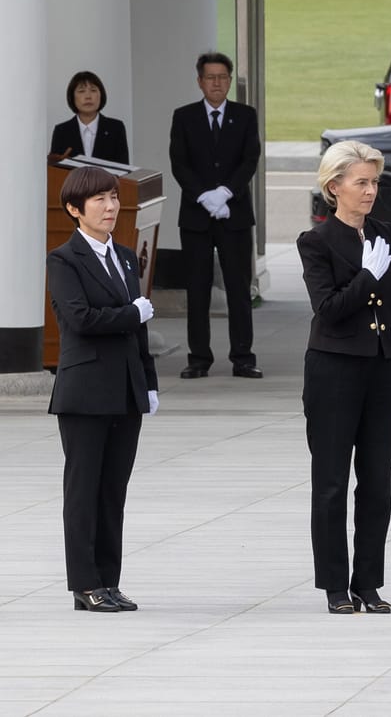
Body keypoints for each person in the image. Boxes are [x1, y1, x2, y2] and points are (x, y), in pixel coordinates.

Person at [298, 140, 391, 615]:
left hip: (380, 368)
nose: (371, 191)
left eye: (374, 182)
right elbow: (328, 311)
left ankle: (368, 581)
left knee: (377, 482)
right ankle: (334, 585)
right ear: (335, 187)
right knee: (330, 481)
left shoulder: (386, 233)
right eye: (361, 182)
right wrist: (366, 278)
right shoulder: (316, 242)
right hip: (334, 369)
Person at [46, 164, 158, 613]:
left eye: (113, 197)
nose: (111, 207)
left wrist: (148, 382)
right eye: (100, 200)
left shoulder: (127, 256)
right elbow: (80, 319)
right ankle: (85, 584)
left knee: (114, 490)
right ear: (75, 209)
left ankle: (109, 581)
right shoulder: (63, 259)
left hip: (126, 389)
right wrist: (133, 313)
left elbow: (140, 330)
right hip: (85, 391)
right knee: (84, 490)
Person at [167, 51, 260, 379]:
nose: (217, 83)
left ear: (230, 80)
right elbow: (179, 162)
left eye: (223, 77)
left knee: (238, 288)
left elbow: (250, 159)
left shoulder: (245, 115)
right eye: (210, 77)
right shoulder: (185, 116)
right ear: (200, 81)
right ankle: (198, 357)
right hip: (196, 216)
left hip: (234, 215)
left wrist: (225, 193)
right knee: (198, 289)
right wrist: (204, 196)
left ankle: (243, 357)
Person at [50, 71, 131, 164]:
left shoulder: (116, 128)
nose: (88, 96)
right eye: (81, 91)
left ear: (101, 95)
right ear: (72, 97)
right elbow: (55, 171)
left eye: (93, 90)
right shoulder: (62, 131)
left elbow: (124, 169)